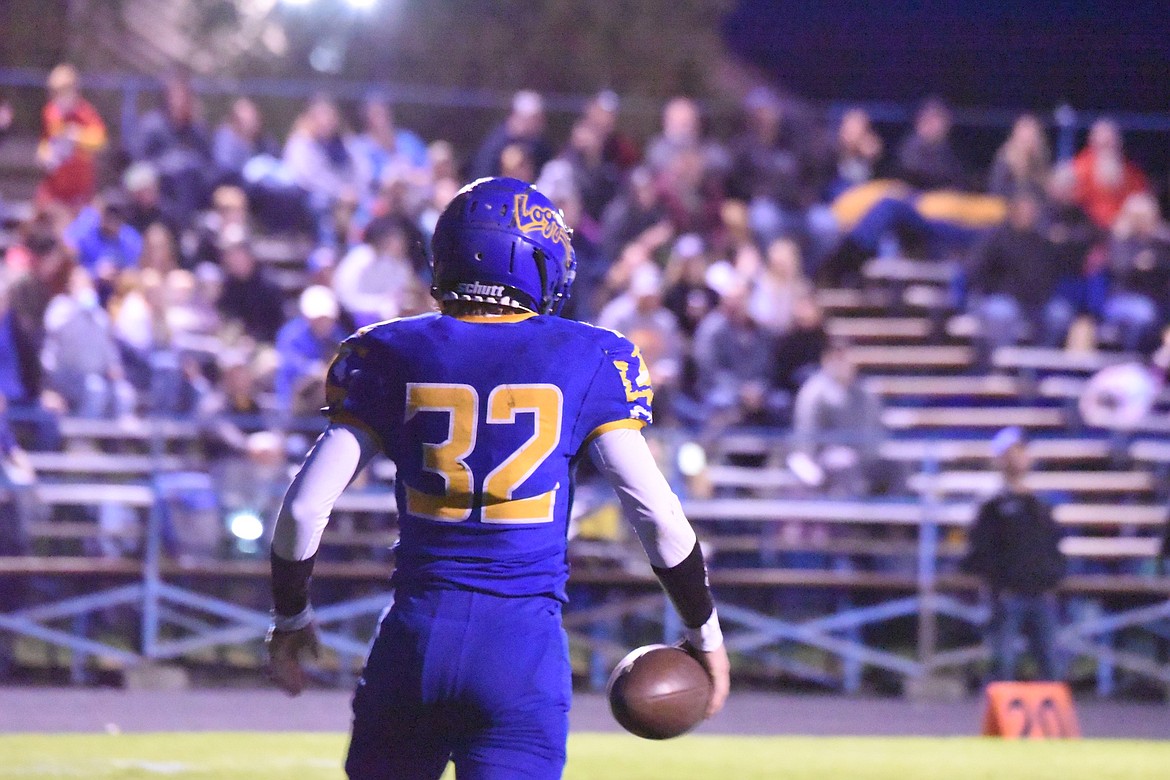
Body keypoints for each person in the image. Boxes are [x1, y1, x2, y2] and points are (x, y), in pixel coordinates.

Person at [266, 177, 729, 779]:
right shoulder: (585, 357)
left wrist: (291, 618)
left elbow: (303, 509)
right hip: (519, 645)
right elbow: (658, 518)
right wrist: (706, 634)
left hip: (414, 634)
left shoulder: (391, 352)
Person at [963, 427, 1066, 681]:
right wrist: (1000, 584)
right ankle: (997, 720)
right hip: (1008, 596)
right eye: (1010, 453)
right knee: (1004, 665)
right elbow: (980, 551)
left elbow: (1053, 546)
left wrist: (1051, 580)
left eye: (1020, 451)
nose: (1016, 458)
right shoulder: (992, 507)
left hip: (1040, 595)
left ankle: (1049, 721)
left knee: (1051, 666)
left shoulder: (1039, 506)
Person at [36, 64, 108, 212]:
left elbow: (101, 141)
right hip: (55, 190)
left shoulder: (85, 112)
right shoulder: (50, 113)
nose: (59, 97)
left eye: (64, 91)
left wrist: (77, 136)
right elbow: (46, 141)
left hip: (82, 191)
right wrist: (43, 155)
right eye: (55, 92)